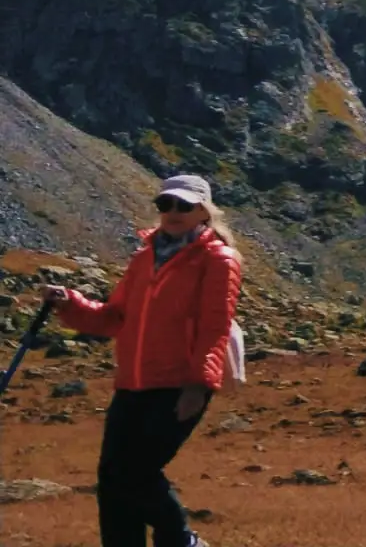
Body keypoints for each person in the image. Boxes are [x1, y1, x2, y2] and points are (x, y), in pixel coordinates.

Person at [42, 174, 242, 547]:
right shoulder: (144, 257)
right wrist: (70, 303)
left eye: (184, 205)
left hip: (178, 383)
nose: (173, 212)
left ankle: (181, 541)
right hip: (133, 382)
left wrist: (199, 386)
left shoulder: (219, 259)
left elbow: (216, 327)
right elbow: (114, 317)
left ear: (204, 211)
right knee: (113, 479)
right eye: (165, 204)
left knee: (135, 473)